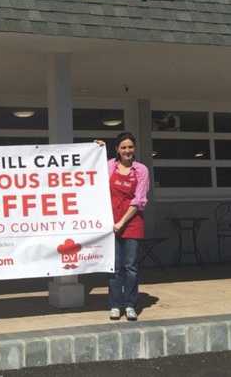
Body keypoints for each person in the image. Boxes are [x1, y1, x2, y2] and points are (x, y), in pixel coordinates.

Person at [97, 132, 149, 321]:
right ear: (117, 150)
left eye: (130, 147)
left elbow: (139, 200)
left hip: (132, 223)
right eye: (123, 147)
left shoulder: (141, 170)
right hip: (111, 223)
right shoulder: (110, 166)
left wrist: (121, 222)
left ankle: (129, 305)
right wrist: (97, 149)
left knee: (131, 267)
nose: (127, 150)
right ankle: (115, 305)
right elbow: (92, 168)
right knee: (114, 267)